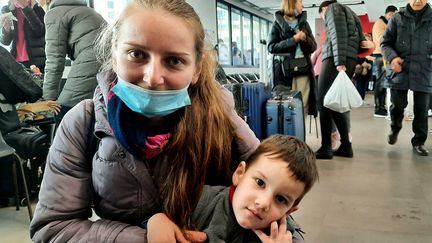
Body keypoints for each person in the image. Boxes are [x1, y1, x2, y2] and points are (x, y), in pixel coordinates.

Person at [29, 0, 270, 242]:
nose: (153, 77)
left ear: (196, 69)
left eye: (174, 61)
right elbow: (53, 228)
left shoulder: (221, 116)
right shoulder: (84, 122)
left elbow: (275, 193)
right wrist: (145, 237)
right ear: (114, 56)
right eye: (137, 54)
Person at [147, 134, 318, 243]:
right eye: (260, 182)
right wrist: (156, 221)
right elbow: (151, 219)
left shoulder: (282, 237)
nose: (263, 203)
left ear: (289, 211)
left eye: (281, 199)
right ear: (239, 173)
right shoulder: (199, 200)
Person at [41, 0, 106, 126]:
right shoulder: (88, 11)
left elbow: (55, 59)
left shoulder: (55, 13)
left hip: (92, 62)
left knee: (63, 111)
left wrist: (48, 98)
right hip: (109, 64)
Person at [381, 0, 432, 156]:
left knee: (422, 110)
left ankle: (419, 142)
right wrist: (393, 58)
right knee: (397, 105)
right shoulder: (397, 18)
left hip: (424, 69)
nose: (418, 0)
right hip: (400, 69)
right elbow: (385, 43)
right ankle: (395, 127)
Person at [315, 0, 365, 160]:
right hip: (349, 58)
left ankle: (326, 147)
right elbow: (361, 39)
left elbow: (337, 33)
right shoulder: (351, 13)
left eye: (322, 16)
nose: (324, 19)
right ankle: (345, 146)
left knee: (323, 102)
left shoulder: (333, 9)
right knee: (333, 104)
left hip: (335, 59)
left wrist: (339, 61)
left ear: (324, 9)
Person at [268, 0, 317, 118]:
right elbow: (271, 47)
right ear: (292, 3)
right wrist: (294, 39)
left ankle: (299, 134)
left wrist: (305, 39)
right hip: (284, 73)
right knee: (287, 107)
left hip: (303, 70)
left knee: (302, 106)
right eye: (300, 2)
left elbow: (313, 47)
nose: (303, 5)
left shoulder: (304, 24)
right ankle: (289, 134)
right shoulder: (277, 24)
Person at [0, 0, 45, 71]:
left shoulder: (38, 8)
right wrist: (6, 30)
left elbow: (40, 32)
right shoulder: (7, 9)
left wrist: (25, 8)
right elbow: (5, 42)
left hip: (36, 60)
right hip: (15, 61)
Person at [372, 5, 398, 118]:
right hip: (380, 56)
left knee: (385, 82)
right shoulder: (379, 24)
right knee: (381, 82)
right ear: (389, 14)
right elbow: (383, 39)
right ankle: (379, 108)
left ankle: (382, 107)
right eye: (394, 15)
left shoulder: (385, 24)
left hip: (385, 56)